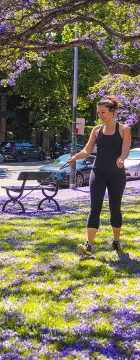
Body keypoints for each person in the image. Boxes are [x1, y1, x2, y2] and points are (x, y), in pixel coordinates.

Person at [68, 96, 131, 257]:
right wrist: (75, 157)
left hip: (116, 174)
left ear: (112, 112)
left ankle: (116, 241)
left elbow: (125, 150)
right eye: (98, 113)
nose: (100, 115)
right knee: (95, 207)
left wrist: (122, 158)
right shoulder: (96, 130)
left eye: (102, 112)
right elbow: (87, 151)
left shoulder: (124, 129)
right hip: (99, 172)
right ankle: (89, 246)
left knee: (114, 208)